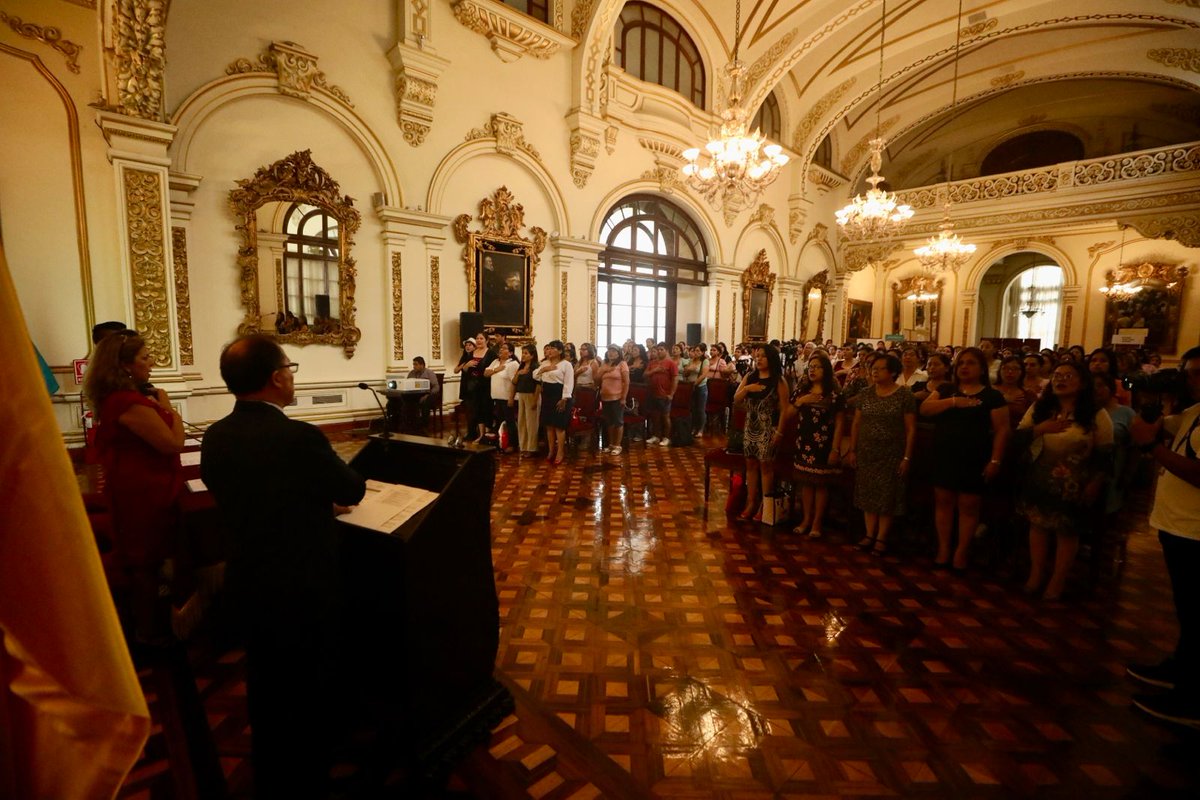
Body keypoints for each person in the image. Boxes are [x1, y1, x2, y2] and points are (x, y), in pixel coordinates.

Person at [201, 335, 366, 798]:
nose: (293, 375)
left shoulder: (216, 435)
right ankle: (311, 774)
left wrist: (309, 503)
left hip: (249, 580)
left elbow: (253, 498)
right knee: (309, 681)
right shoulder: (298, 436)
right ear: (276, 378)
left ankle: (271, 768)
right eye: (290, 367)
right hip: (301, 584)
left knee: (266, 679)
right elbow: (350, 488)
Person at [82, 329, 185, 644]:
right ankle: (150, 635)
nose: (151, 363)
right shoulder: (127, 401)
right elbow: (171, 444)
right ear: (126, 365)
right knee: (144, 560)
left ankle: (149, 627)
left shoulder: (121, 399)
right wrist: (169, 408)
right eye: (145, 358)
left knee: (144, 559)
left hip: (136, 484)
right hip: (142, 491)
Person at [1126, 346, 1200, 728]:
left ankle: (1192, 698)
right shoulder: (1192, 411)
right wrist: (1154, 401)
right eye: (1188, 373)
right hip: (1178, 524)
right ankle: (1180, 668)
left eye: (1196, 374)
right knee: (1187, 611)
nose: (1191, 381)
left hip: (1196, 529)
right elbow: (1154, 424)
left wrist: (1151, 447)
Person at [1015, 361, 1113, 601]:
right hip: (1040, 477)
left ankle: (1057, 580)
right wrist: (1042, 429)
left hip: (1075, 481)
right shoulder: (1041, 408)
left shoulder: (1095, 414)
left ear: (1082, 383)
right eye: (1057, 375)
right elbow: (1018, 437)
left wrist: (1095, 482)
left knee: (1066, 531)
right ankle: (1036, 574)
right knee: (1038, 525)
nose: (1061, 379)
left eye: (1068, 376)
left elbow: (1105, 454)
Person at [919, 347, 1009, 570]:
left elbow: (1002, 430)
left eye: (971, 363)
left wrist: (995, 460)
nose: (965, 367)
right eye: (961, 364)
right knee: (944, 502)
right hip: (945, 455)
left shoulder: (992, 396)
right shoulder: (947, 389)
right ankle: (944, 548)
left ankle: (961, 551)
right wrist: (953, 402)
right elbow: (925, 409)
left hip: (974, 457)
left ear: (981, 369)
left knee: (969, 505)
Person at [846, 353, 916, 555]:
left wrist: (906, 457)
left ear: (893, 372)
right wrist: (853, 449)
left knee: (887, 496)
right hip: (867, 452)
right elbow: (857, 422)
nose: (874, 372)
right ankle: (869, 534)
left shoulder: (904, 395)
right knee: (868, 493)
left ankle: (881, 538)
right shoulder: (866, 393)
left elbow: (911, 429)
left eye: (880, 369)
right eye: (873, 368)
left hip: (892, 454)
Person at [783, 353, 845, 540]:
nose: (812, 370)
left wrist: (835, 449)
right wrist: (802, 401)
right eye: (810, 366)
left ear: (826, 370)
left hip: (824, 444)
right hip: (805, 442)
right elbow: (787, 414)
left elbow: (840, 423)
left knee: (820, 485)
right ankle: (806, 519)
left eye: (817, 367)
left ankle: (817, 522)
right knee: (806, 483)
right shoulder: (802, 391)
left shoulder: (834, 395)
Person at [732, 344, 790, 520]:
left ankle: (766, 503)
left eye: (763, 356)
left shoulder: (779, 380)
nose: (759, 359)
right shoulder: (750, 377)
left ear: (771, 359)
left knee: (766, 466)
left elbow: (785, 409)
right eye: (757, 356)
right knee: (750, 464)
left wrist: (779, 432)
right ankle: (751, 502)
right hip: (751, 426)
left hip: (768, 428)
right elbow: (736, 399)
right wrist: (748, 388)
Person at [535, 340, 574, 465]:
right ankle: (551, 451)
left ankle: (560, 452)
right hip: (547, 395)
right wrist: (545, 369)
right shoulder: (545, 363)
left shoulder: (566, 364)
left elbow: (568, 383)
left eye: (552, 348)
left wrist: (564, 399)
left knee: (559, 426)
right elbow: (535, 376)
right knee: (549, 425)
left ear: (560, 351)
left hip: (559, 396)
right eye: (548, 348)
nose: (549, 351)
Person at [597, 344, 630, 455]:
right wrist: (603, 370)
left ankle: (617, 445)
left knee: (618, 422)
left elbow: (626, 382)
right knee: (609, 422)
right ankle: (611, 444)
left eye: (613, 351)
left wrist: (624, 398)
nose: (611, 353)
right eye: (609, 351)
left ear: (618, 353)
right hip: (605, 397)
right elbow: (596, 379)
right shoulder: (604, 363)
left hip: (617, 397)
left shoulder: (622, 364)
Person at [485, 342, 519, 449]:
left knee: (510, 421)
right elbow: (486, 374)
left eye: (504, 348)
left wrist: (511, 398)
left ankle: (513, 444)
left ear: (510, 353)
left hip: (507, 398)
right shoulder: (495, 362)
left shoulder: (513, 364)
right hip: (496, 397)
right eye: (501, 348)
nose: (500, 350)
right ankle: (499, 443)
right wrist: (496, 369)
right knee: (498, 421)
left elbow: (515, 382)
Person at [644, 343, 679, 446]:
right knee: (655, 416)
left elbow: (675, 379)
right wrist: (655, 370)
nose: (659, 351)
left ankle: (666, 437)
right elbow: (645, 374)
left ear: (666, 350)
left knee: (665, 417)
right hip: (653, 393)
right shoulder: (652, 363)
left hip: (664, 394)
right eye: (658, 350)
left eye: (661, 349)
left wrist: (671, 393)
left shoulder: (671, 363)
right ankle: (656, 436)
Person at [407, 355, 441, 430]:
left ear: (422, 365)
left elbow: (436, 387)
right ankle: (411, 424)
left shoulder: (429, 373)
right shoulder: (411, 373)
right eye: (413, 364)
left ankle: (424, 425)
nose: (414, 366)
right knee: (407, 401)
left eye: (416, 364)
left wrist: (427, 395)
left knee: (426, 402)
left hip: (430, 395)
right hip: (416, 395)